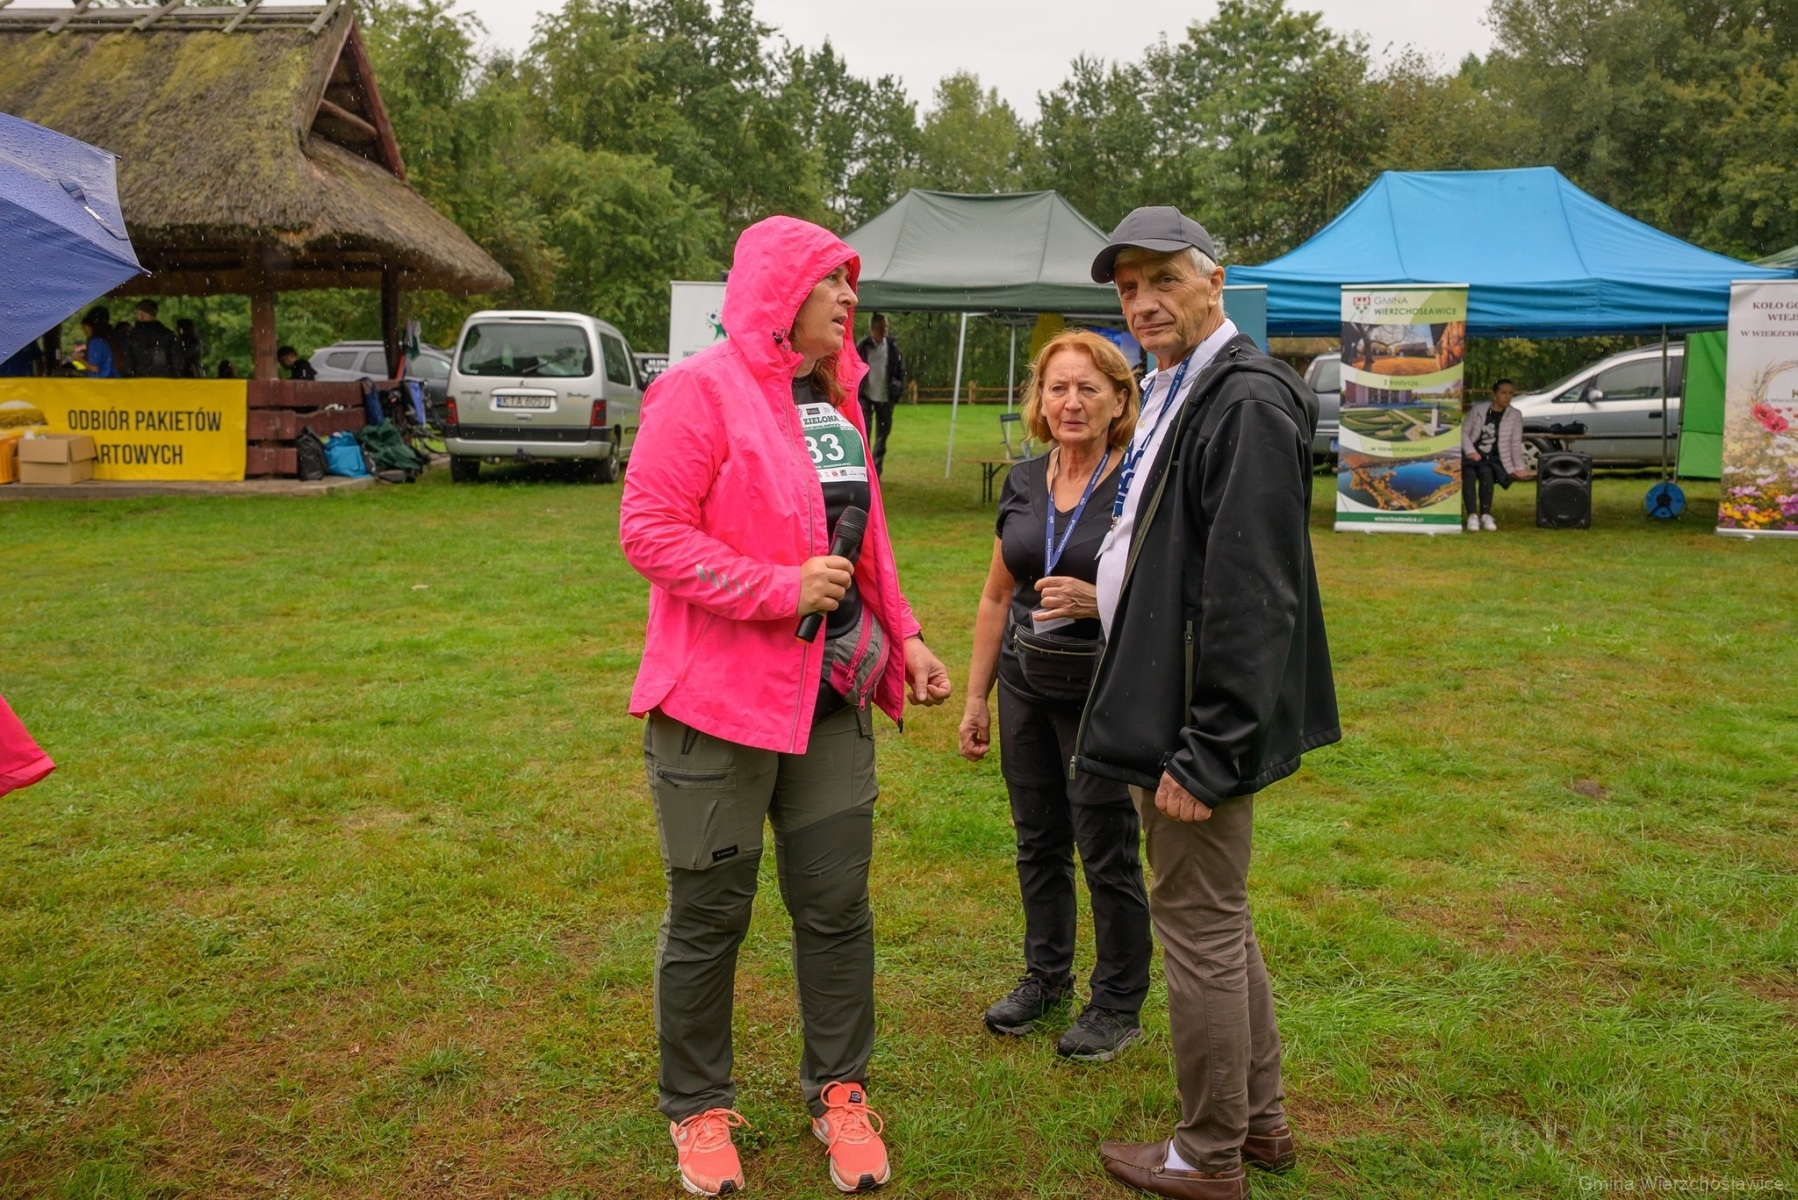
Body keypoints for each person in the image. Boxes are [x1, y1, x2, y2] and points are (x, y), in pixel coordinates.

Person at [619, 215, 952, 1198]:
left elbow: (862, 541)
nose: (849, 299)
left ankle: (840, 1093)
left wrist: (906, 634)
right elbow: (648, 531)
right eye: (830, 282)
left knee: (836, 908)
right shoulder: (699, 391)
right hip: (716, 706)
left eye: (850, 283)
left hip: (830, 703)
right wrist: (776, 588)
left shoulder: (835, 402)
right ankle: (697, 1104)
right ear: (778, 291)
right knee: (709, 915)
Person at [1076, 207, 1340, 1200]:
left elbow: (1254, 591)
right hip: (1173, 701)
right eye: (1127, 288)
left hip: (1192, 720)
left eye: (1163, 280)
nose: (1143, 303)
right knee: (1215, 917)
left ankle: (1207, 1153)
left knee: (1197, 928)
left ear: (1215, 279)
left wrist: (1211, 747)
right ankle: (1258, 1124)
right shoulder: (1179, 385)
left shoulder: (1245, 399)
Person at [958, 329, 1152, 1062]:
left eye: (1088, 388)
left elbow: (1167, 596)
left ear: (1119, 401)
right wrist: (976, 699)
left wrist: (1101, 602)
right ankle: (1046, 979)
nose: (1071, 402)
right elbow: (994, 595)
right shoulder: (1022, 481)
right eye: (1057, 388)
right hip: (1024, 684)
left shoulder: (1136, 482)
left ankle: (1117, 1002)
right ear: (1039, 400)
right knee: (1037, 838)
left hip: (1100, 689)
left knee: (1106, 846)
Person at [1461, 378, 1532, 531]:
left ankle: (1486, 515)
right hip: (1472, 455)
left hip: (1492, 458)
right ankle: (1472, 515)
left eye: (1510, 393)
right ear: (1494, 394)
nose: (1507, 397)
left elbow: (1515, 443)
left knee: (1486, 473)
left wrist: (1519, 467)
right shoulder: (1478, 410)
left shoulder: (1515, 415)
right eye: (1503, 393)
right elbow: (1464, 433)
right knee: (1469, 474)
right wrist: (1471, 451)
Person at [854, 312, 906, 475]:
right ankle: (865, 471)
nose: (884, 330)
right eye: (881, 327)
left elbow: (901, 371)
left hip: (885, 398)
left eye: (886, 327)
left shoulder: (893, 348)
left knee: (882, 436)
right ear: (872, 328)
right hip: (865, 396)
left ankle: (876, 471)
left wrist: (897, 388)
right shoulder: (863, 347)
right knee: (864, 434)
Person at [124, 300, 179, 377]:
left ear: (141, 315)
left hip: (140, 381)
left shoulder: (133, 337)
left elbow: (129, 365)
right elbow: (177, 362)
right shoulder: (168, 335)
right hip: (164, 381)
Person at [81, 309, 120, 379]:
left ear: (91, 326)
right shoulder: (106, 340)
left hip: (101, 381)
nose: (84, 331)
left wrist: (79, 359)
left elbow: (94, 369)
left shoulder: (95, 343)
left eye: (85, 328)